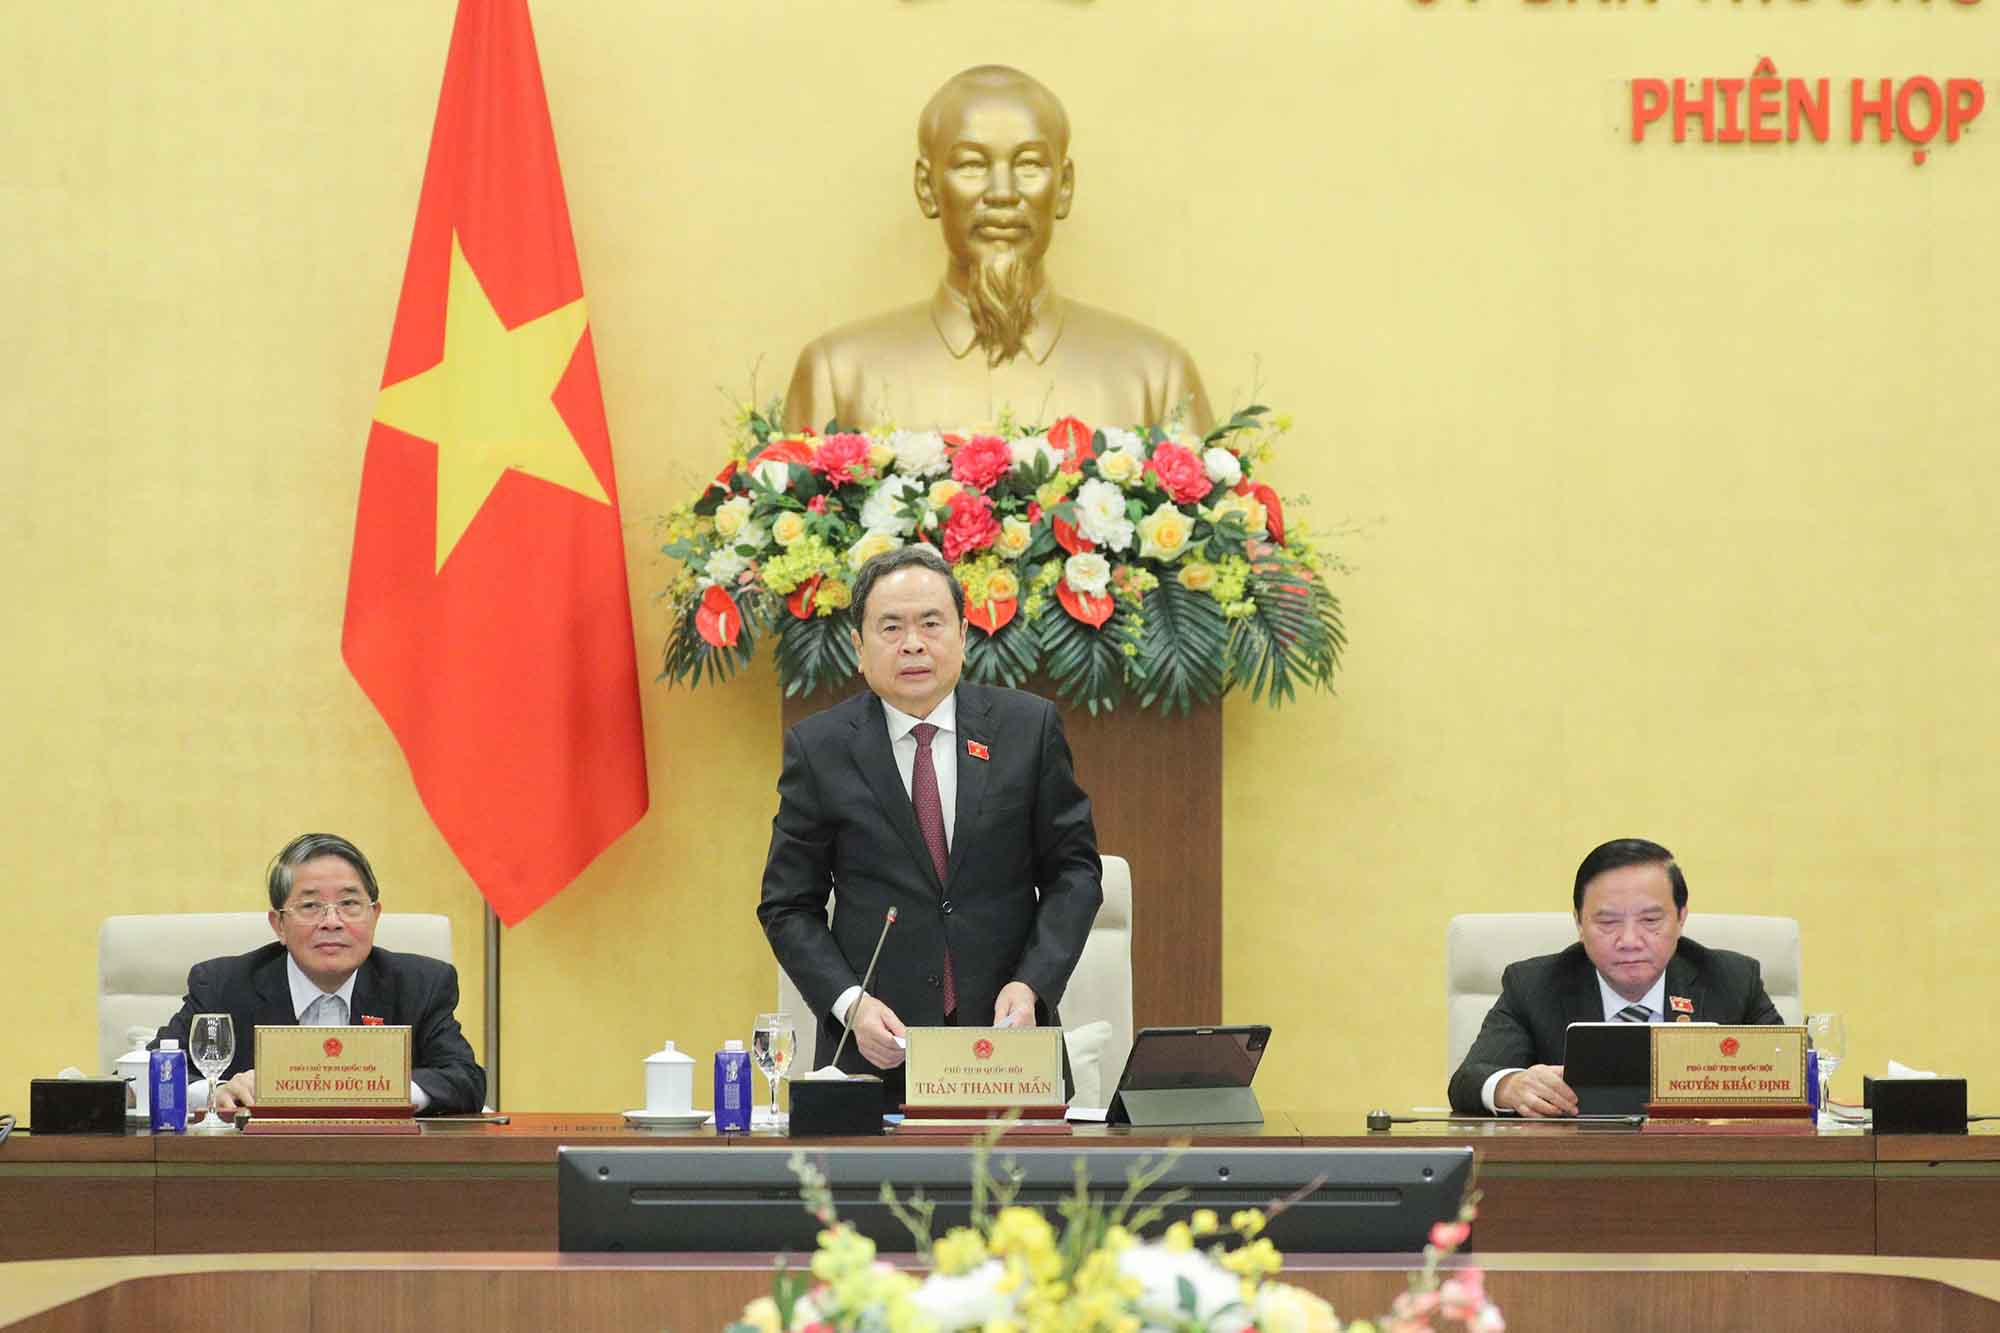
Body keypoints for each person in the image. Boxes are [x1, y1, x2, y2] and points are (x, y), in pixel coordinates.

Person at [757, 545, 1103, 1100]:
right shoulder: (819, 747)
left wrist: (1032, 985)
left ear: (964, 635)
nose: (913, 643)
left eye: (931, 623)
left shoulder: (1027, 728)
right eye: (890, 627)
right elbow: (787, 904)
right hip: (874, 1056)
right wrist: (851, 1004)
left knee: (1023, 1191)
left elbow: (1075, 873)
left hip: (1007, 1047)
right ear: (858, 647)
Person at [783, 64, 1213, 435]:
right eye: (972, 164)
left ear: (1063, 188)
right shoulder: (838, 374)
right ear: (926, 188)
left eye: (1029, 164)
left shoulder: (1156, 377)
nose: (1003, 193)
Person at [151, 833, 486, 1116]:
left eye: (349, 904)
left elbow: (465, 1079)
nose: (332, 921)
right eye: (310, 906)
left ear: (374, 915)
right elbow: (150, 1072)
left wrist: (384, 1089)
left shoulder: (419, 984)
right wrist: (217, 1091)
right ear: (279, 924)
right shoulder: (223, 984)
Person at [1447, 838, 1783, 1117]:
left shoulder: (1732, 979)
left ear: (1681, 917)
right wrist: (1510, 1086)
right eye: (1607, 923)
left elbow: (1794, 1070)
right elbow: (1468, 1080)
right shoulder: (1534, 984)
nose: (1630, 941)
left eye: (1651, 920)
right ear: (1579, 922)